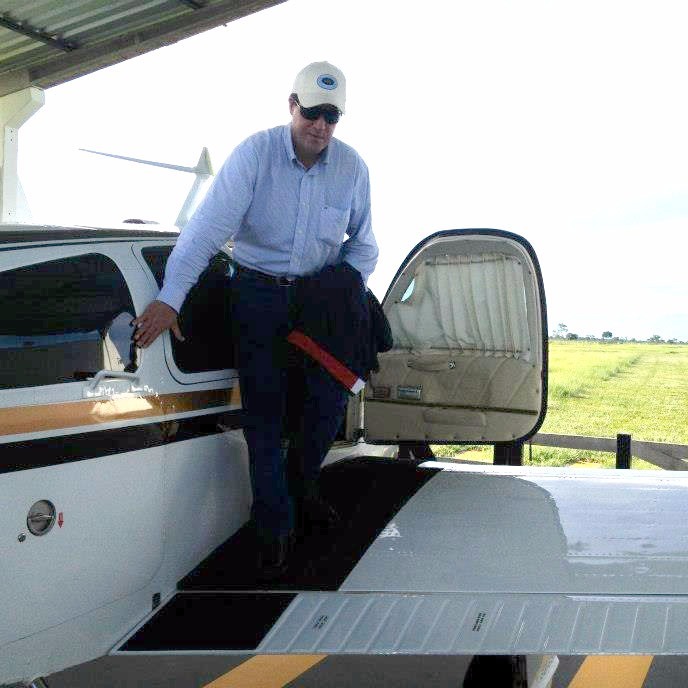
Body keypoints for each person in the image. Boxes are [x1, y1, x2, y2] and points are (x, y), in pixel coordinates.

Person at [132, 61, 378, 577]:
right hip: (257, 294)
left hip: (318, 300)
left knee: (326, 409)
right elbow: (204, 232)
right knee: (264, 417)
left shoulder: (352, 168)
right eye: (312, 112)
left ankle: (302, 488)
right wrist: (171, 298)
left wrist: (341, 294)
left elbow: (365, 246)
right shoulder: (254, 155)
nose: (321, 126)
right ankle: (274, 527)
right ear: (292, 106)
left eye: (332, 116)